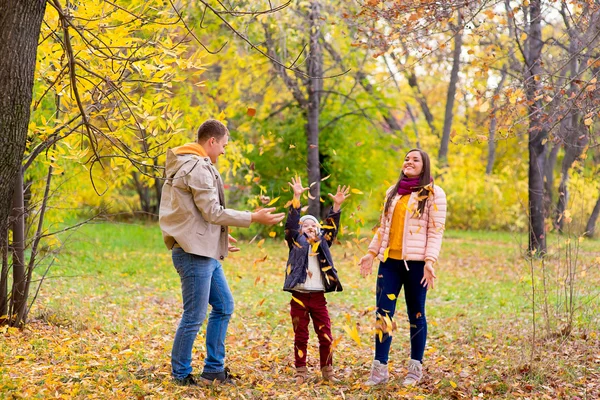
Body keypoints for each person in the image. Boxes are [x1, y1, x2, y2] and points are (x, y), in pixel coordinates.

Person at [159, 119, 285, 386]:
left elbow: (191, 214)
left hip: (203, 251)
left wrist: (219, 239)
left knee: (224, 306)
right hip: (193, 254)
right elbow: (212, 212)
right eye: (224, 145)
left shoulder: (191, 163)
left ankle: (213, 370)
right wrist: (253, 217)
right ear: (212, 141)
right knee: (193, 315)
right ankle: (180, 375)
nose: (224, 152)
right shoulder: (196, 166)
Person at [358, 148, 446, 386]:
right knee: (383, 314)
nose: (409, 162)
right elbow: (383, 228)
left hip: (417, 265)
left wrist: (430, 261)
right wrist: (370, 252)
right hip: (389, 264)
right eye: (407, 159)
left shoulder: (434, 193)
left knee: (416, 314)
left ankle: (415, 369)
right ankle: (380, 369)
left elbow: (435, 232)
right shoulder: (393, 192)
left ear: (424, 165)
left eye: (415, 159)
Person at [283, 176, 350, 384]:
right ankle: (300, 372)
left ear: (319, 231)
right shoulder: (296, 242)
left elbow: (331, 228)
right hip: (299, 296)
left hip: (318, 297)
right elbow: (292, 224)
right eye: (305, 225)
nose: (309, 227)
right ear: (300, 231)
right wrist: (296, 197)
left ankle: (327, 371)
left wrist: (336, 206)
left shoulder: (323, 243)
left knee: (325, 335)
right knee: (300, 335)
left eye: (313, 225)